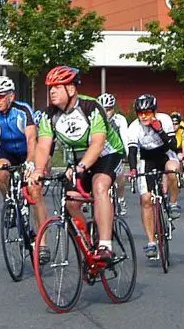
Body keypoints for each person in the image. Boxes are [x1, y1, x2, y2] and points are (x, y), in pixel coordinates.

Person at [30, 65, 125, 266]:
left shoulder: (91, 108)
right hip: (78, 162)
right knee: (71, 202)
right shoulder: (49, 115)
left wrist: (81, 168)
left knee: (100, 186)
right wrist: (38, 170)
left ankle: (105, 245)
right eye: (50, 88)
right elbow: (43, 146)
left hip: (107, 155)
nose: (52, 91)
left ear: (71, 89)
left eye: (57, 86)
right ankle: (88, 242)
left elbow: (98, 143)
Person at [0, 75, 41, 225]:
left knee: (32, 188)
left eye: (0, 96)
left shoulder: (23, 110)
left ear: (11, 96)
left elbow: (31, 138)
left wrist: (30, 162)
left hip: (25, 151)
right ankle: (9, 202)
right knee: (0, 170)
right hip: (7, 151)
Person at [122, 94, 180, 260]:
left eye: (147, 112)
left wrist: (159, 130)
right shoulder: (134, 127)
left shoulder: (165, 119)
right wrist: (133, 169)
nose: (144, 116)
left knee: (172, 170)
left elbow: (173, 146)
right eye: (140, 113)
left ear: (154, 111)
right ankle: (151, 242)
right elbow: (132, 151)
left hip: (165, 154)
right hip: (147, 159)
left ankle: (174, 203)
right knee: (146, 199)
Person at [98, 94, 129, 203]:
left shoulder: (120, 120)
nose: (106, 112)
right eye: (103, 109)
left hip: (117, 151)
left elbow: (125, 138)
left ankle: (121, 199)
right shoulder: (95, 120)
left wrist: (128, 156)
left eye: (109, 109)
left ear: (113, 109)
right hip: (100, 152)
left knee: (120, 175)